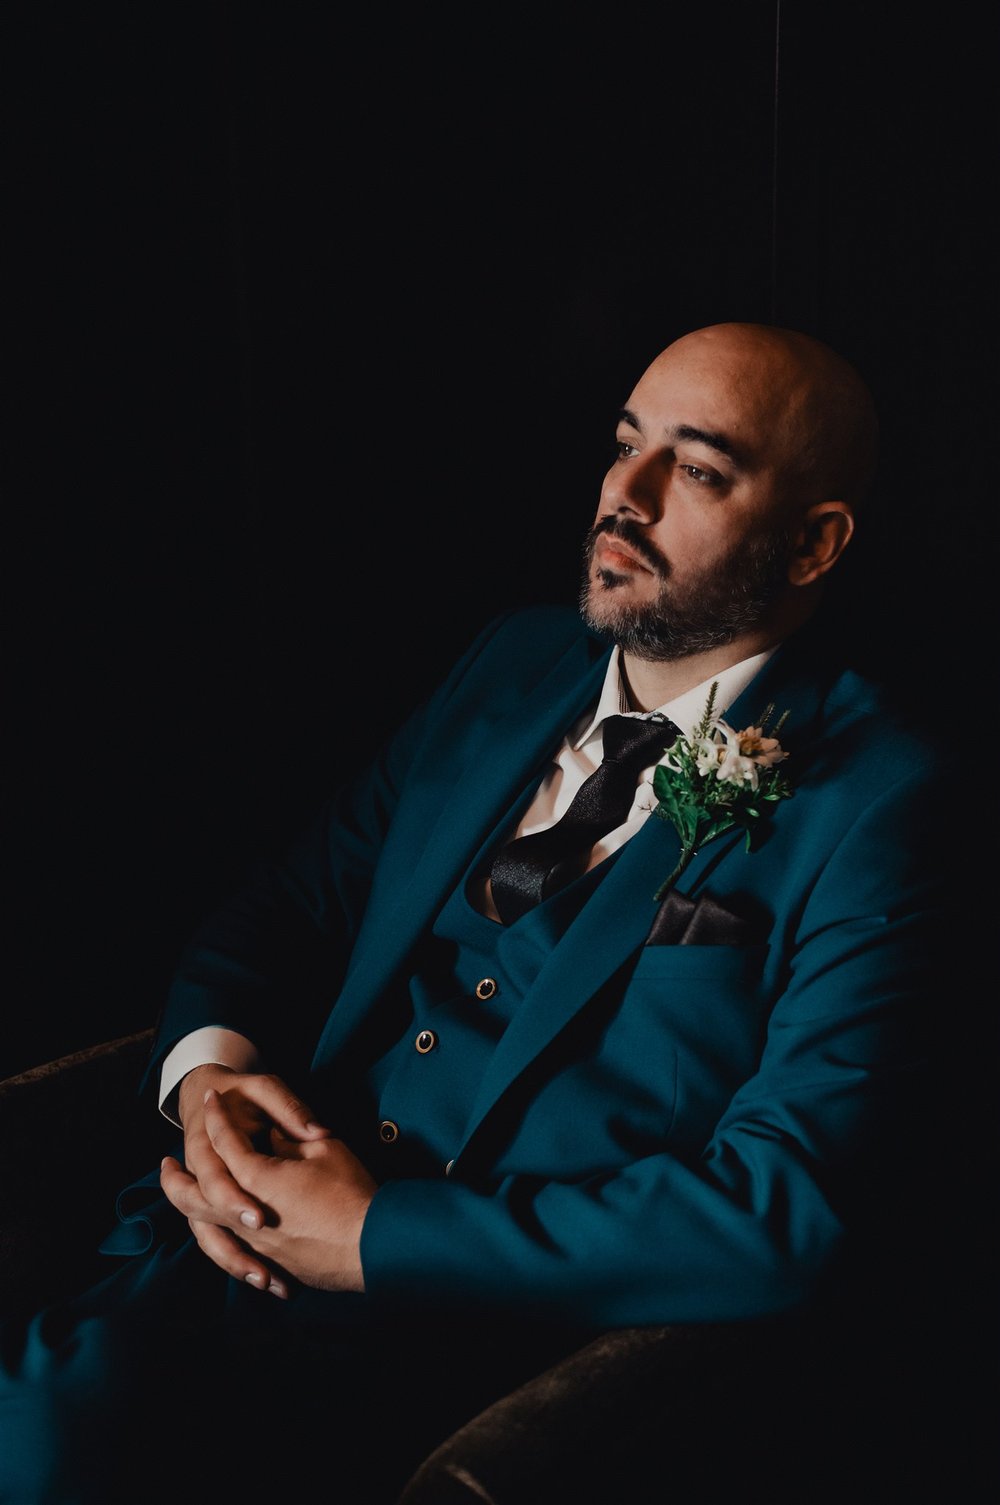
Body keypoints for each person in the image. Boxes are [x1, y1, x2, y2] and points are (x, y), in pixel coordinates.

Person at [0, 322, 950, 1503]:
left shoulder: (885, 797)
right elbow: (288, 908)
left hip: (466, 1346)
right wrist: (208, 1081)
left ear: (814, 542)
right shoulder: (510, 661)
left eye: (697, 469)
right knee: (43, 1422)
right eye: (623, 445)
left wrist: (374, 1240)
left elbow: (791, 1207)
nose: (626, 496)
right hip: (199, 1259)